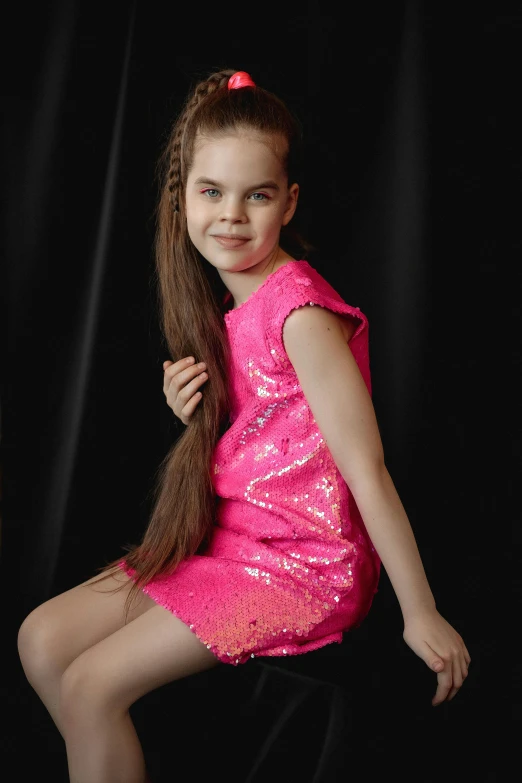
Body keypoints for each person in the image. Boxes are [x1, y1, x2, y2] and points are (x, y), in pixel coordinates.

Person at [17, 68, 470, 783]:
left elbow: (363, 465)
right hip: (235, 540)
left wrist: (421, 610)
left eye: (255, 195)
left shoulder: (301, 313)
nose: (230, 216)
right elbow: (274, 434)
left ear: (287, 204)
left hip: (303, 566)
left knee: (89, 684)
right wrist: (197, 411)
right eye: (211, 192)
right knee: (41, 639)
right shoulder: (233, 305)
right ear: (184, 197)